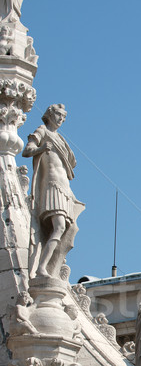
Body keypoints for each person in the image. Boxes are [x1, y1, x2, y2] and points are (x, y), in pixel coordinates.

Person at [23, 104, 85, 278]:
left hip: (64, 186)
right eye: (58, 115)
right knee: (58, 227)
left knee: (69, 228)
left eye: (64, 117)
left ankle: (51, 267)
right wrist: (41, 149)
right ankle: (42, 268)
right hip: (51, 185)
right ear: (50, 114)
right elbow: (27, 151)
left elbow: (72, 161)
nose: (61, 119)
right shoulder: (42, 131)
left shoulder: (61, 139)